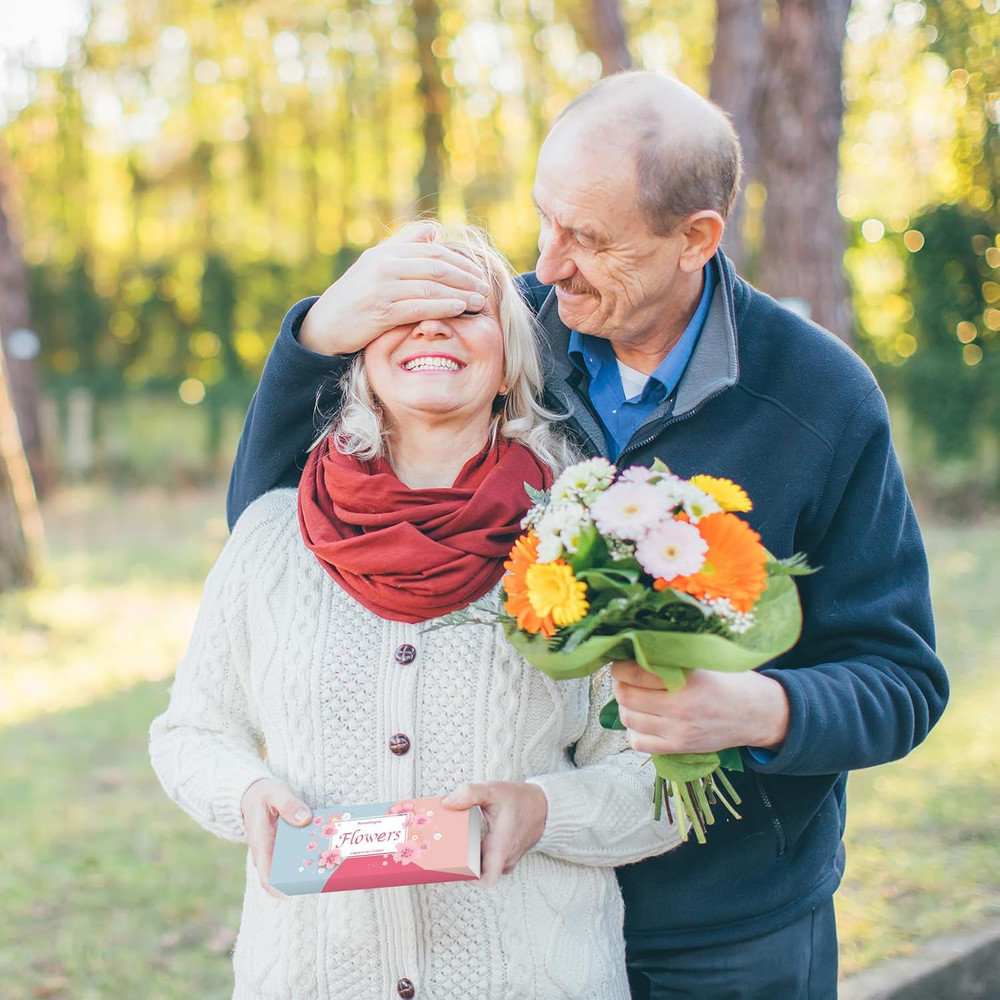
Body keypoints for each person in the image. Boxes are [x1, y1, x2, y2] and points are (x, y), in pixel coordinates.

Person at [225, 72, 949, 999]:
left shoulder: (819, 399)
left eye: (591, 239)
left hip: (726, 928)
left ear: (696, 239)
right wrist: (319, 331)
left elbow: (902, 680)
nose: (550, 264)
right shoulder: (500, 335)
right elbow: (278, 519)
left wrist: (760, 711)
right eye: (545, 221)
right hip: (521, 926)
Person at [150, 222, 680, 1000]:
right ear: (361, 355)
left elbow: (668, 780)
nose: (432, 325)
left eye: (466, 309)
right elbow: (191, 733)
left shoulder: (593, 541)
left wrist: (543, 810)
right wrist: (246, 797)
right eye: (402, 310)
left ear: (509, 362)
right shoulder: (271, 536)